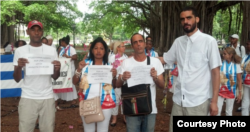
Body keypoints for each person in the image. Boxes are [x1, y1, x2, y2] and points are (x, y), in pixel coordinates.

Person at [158, 7, 221, 132]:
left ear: (197, 19)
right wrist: (141, 59)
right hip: (178, 101)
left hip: (198, 101)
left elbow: (215, 73)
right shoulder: (178, 42)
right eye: (182, 19)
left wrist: (214, 101)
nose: (185, 21)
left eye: (189, 18)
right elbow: (164, 59)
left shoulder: (209, 41)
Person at [13, 20, 61, 132]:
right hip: (28, 96)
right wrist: (19, 67)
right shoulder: (20, 51)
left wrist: (57, 69)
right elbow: (17, 79)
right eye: (33, 30)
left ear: (42, 32)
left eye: (39, 30)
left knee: (48, 129)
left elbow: (55, 77)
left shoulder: (51, 50)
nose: (36, 32)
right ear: (28, 31)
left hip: (47, 97)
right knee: (25, 129)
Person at [116, 33, 164, 132]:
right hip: (132, 107)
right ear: (132, 46)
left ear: (145, 43)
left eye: (141, 41)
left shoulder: (155, 62)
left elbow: (162, 85)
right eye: (135, 42)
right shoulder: (126, 63)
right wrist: (122, 78)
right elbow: (117, 84)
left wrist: (155, 77)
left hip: (150, 109)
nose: (138, 44)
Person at [72, 37, 117, 132]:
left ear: (105, 51)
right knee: (88, 130)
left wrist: (114, 76)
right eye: (96, 48)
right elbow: (75, 82)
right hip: (88, 102)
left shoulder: (109, 67)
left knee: (103, 130)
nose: (98, 51)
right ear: (92, 50)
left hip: (105, 102)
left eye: (101, 48)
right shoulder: (85, 66)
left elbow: (115, 85)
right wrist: (79, 69)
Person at [217, 47, 242, 116]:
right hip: (220, 90)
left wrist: (240, 93)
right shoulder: (220, 63)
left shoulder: (236, 65)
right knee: (217, 110)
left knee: (229, 111)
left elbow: (239, 80)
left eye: (225, 54)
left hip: (231, 91)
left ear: (230, 55)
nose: (223, 55)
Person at [55, 35, 78, 108]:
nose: (60, 43)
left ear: (64, 42)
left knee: (70, 83)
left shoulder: (71, 49)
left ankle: (74, 99)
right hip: (63, 69)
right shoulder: (62, 49)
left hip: (70, 68)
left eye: (61, 42)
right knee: (64, 82)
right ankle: (64, 98)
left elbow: (75, 57)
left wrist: (69, 57)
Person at [109, 41, 128, 127]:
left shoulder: (126, 57)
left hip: (125, 81)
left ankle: (125, 117)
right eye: (122, 46)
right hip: (115, 81)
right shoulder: (112, 57)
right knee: (115, 99)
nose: (124, 48)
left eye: (124, 46)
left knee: (124, 99)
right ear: (118, 48)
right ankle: (114, 118)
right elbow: (109, 69)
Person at [242, 40, 250, 115]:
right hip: (246, 82)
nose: (247, 46)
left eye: (248, 44)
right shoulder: (246, 56)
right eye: (246, 44)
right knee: (245, 100)